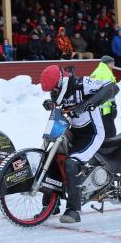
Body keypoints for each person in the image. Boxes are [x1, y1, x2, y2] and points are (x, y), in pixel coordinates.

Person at [40, 65, 119, 223]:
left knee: (71, 163)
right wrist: (50, 103)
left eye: (54, 90)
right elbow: (59, 104)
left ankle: (73, 210)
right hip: (74, 131)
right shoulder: (58, 91)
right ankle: (50, 204)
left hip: (93, 133)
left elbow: (112, 87)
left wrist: (89, 103)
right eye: (51, 92)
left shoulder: (83, 84)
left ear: (60, 82)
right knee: (51, 157)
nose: (53, 93)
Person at [91, 55, 118, 138]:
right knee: (110, 133)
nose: (113, 65)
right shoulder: (106, 73)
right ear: (108, 63)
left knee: (100, 130)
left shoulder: (96, 72)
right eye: (112, 62)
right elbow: (111, 90)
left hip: (96, 107)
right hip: (105, 109)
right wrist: (113, 105)